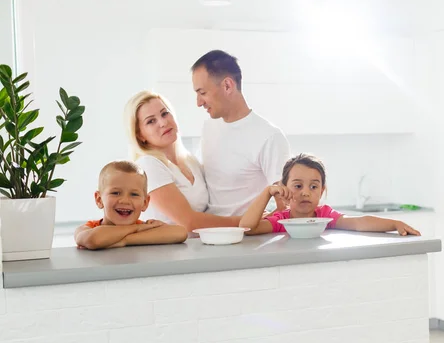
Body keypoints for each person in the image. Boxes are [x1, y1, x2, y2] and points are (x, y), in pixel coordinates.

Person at [191, 50, 291, 216]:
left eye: (203, 93)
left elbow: (285, 205)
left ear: (228, 86)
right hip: (208, 234)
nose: (199, 102)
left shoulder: (269, 137)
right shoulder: (208, 127)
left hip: (248, 237)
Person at [124, 90, 241, 232]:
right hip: (166, 252)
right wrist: (245, 221)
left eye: (164, 113)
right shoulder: (148, 165)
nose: (163, 122)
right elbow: (190, 222)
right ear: (140, 135)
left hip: (198, 248)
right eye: (151, 121)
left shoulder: (191, 162)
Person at [240, 153, 421, 236]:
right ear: (284, 188)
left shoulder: (325, 216)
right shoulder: (281, 220)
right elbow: (247, 228)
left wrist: (394, 223)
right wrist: (267, 193)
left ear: (322, 191)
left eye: (313, 187)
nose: (305, 192)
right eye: (297, 186)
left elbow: (358, 223)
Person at [74, 161, 188, 250]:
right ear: (99, 200)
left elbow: (181, 232)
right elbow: (94, 239)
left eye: (134, 194)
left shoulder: (144, 227)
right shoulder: (88, 228)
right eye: (115, 193)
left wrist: (124, 241)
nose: (125, 200)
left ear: (145, 203)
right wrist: (137, 228)